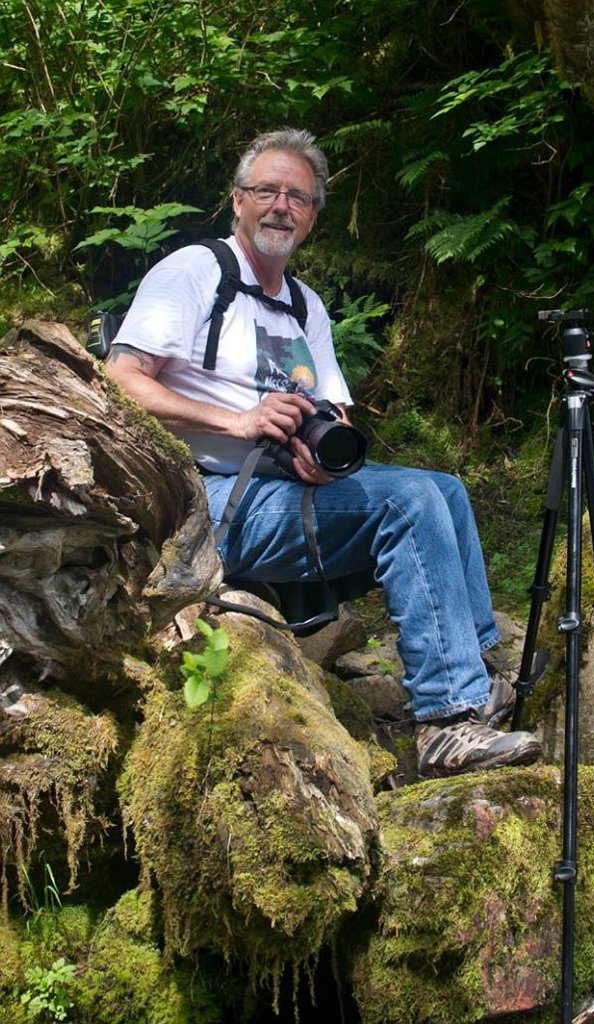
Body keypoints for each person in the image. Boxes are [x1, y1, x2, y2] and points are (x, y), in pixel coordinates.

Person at [105, 127, 541, 779]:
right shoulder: (196, 272)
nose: (281, 205)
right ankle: (447, 723)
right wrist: (239, 419)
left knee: (443, 487)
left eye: (298, 197)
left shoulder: (304, 305)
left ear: (312, 216)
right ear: (238, 202)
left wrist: (322, 451)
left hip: (282, 489)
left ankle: (480, 681)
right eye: (267, 191)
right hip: (207, 502)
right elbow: (120, 380)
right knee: (411, 500)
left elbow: (334, 408)